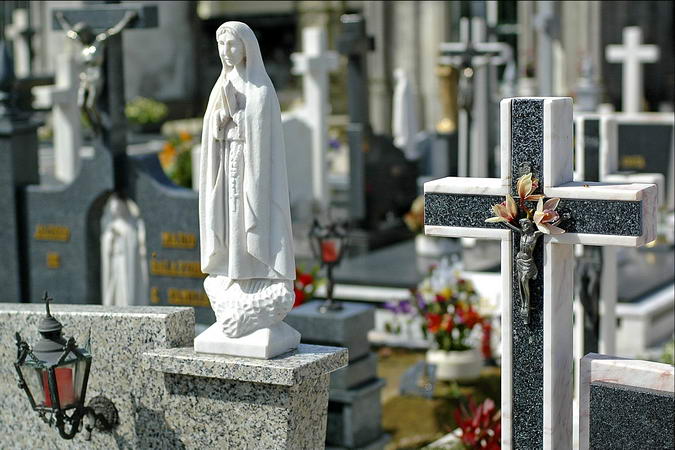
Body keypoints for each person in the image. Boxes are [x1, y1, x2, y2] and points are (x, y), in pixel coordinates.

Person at [199, 21, 295, 338]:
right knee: (230, 219)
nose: (226, 52)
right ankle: (233, 272)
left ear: (246, 49)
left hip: (252, 169)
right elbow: (211, 130)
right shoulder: (221, 85)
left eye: (232, 45)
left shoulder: (260, 89)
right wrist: (220, 118)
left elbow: (261, 131)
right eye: (221, 45)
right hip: (227, 162)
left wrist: (239, 117)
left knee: (246, 217)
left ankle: (255, 272)